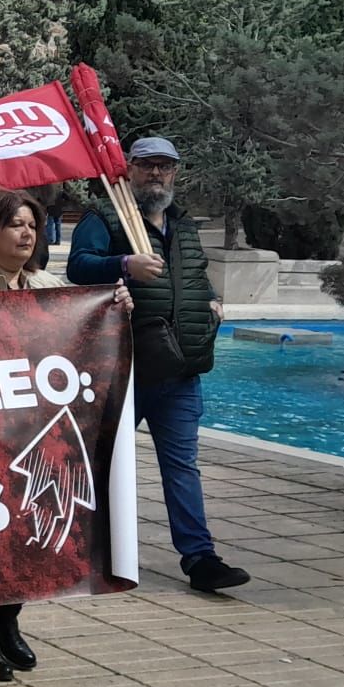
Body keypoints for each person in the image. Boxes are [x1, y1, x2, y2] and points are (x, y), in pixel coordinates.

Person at [0, 189, 131, 682]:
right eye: (16, 225)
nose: (27, 234)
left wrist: (112, 307)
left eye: (32, 226)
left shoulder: (51, 286)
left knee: (30, 532)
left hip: (36, 435)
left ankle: (8, 623)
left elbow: (81, 339)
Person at [68, 136, 249, 594]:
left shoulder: (182, 226)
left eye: (165, 167)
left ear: (175, 173)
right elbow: (78, 266)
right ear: (129, 169)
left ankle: (200, 558)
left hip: (180, 369)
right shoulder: (105, 216)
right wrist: (125, 263)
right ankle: (79, 547)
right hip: (122, 367)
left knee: (182, 467)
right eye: (148, 166)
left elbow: (194, 275)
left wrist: (210, 299)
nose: (157, 174)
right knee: (100, 463)